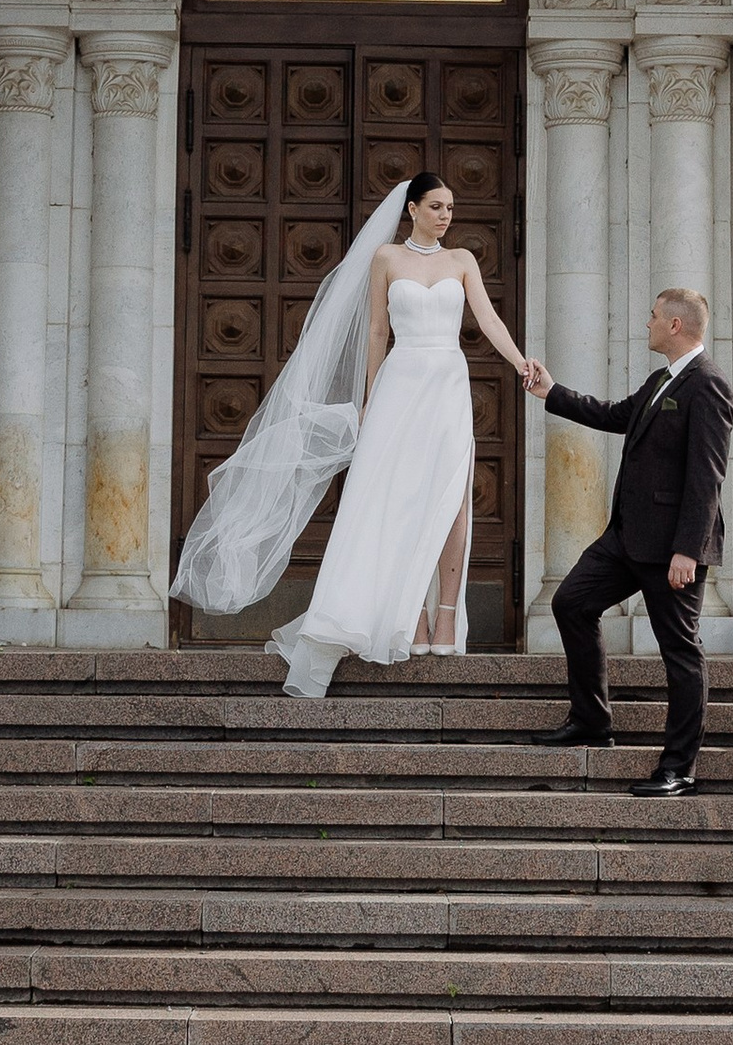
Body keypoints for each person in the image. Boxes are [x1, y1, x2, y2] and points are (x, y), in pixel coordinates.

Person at [168, 169, 536, 696]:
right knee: (398, 498)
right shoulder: (386, 259)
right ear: (411, 209)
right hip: (400, 384)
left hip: (447, 384)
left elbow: (489, 318)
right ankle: (407, 617)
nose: (445, 216)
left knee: (451, 497)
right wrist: (368, 401)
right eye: (436, 206)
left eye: (450, 208)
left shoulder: (463, 261)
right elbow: (377, 332)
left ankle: (447, 615)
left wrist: (521, 363)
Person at [522, 288, 732, 795]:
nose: (648, 323)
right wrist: (552, 392)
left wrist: (688, 548)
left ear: (676, 325)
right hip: (626, 537)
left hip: (672, 550)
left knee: (680, 650)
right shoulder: (661, 380)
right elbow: (615, 414)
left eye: (654, 316)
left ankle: (679, 768)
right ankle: (593, 722)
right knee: (571, 602)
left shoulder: (709, 386)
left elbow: (707, 476)